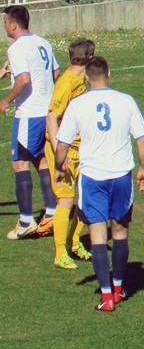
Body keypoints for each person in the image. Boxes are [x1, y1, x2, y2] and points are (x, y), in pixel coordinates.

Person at [54, 56, 144, 311]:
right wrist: (143, 167)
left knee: (97, 233)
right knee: (120, 231)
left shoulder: (78, 104)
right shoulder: (126, 101)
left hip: (92, 176)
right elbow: (142, 138)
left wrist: (59, 167)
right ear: (109, 73)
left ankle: (106, 297)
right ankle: (118, 288)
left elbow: (62, 144)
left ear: (86, 77)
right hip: (121, 174)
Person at [2, 5, 60, 240]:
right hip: (47, 112)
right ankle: (52, 214)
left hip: (28, 114)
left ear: (13, 24)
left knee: (19, 163)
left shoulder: (16, 48)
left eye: (5, 21)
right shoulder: (43, 42)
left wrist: (6, 101)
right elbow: (55, 73)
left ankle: (26, 220)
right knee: (41, 159)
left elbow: (24, 79)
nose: (4, 25)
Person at [45, 38, 96, 269]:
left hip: (79, 148)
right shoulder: (66, 84)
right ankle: (59, 254)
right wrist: (60, 154)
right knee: (65, 199)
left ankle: (74, 242)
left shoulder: (80, 80)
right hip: (63, 151)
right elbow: (51, 118)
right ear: (90, 58)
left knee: (84, 197)